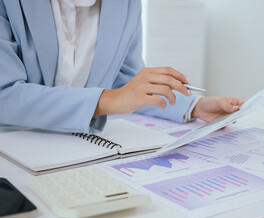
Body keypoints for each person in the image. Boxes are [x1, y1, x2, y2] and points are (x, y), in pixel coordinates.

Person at [0, 0, 244, 134]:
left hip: (81, 149)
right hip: (13, 149)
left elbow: (124, 83)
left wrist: (195, 106)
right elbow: (4, 95)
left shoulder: (126, 4)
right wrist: (107, 100)